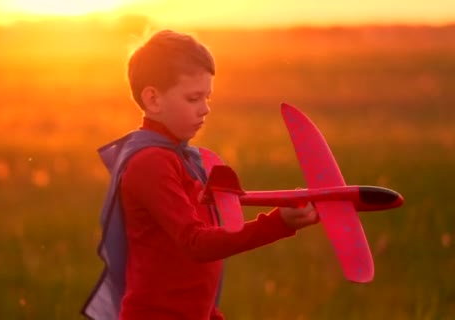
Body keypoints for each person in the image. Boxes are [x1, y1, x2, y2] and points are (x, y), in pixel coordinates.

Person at [82, 29, 319, 320]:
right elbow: (196, 243)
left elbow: (186, 274)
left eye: (208, 97)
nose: (205, 109)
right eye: (194, 98)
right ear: (153, 100)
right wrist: (276, 223)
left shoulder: (182, 159)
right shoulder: (150, 164)